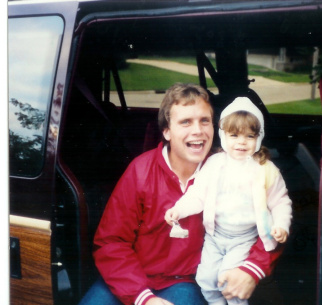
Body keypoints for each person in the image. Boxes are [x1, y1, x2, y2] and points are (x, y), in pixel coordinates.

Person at [79, 84, 284, 305]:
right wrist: (143, 298)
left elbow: (270, 226)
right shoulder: (140, 172)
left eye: (205, 121)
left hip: (186, 282)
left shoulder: (231, 168)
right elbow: (111, 242)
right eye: (185, 122)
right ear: (166, 131)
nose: (197, 130)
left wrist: (251, 270)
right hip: (130, 278)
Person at [165, 97, 292, 305]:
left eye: (249, 136)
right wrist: (179, 210)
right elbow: (198, 194)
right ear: (223, 136)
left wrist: (280, 225)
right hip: (215, 237)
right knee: (205, 279)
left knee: (228, 280)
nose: (241, 142)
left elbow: (280, 202)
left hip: (243, 239)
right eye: (234, 135)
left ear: (258, 138)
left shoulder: (265, 169)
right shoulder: (215, 164)